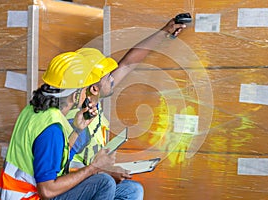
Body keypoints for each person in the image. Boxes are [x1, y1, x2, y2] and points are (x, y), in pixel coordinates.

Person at [68, 16, 187, 197]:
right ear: (94, 88)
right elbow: (64, 169)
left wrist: (165, 31)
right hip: (76, 185)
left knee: (133, 190)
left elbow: (128, 63)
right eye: (108, 77)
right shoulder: (74, 119)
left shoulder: (92, 102)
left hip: (93, 175)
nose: (113, 78)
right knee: (106, 183)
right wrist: (105, 171)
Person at [0, 52, 127, 200]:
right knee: (104, 183)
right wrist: (94, 167)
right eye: (84, 88)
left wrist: (77, 130)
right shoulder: (51, 129)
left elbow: (57, 162)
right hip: (30, 196)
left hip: (23, 194)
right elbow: (47, 191)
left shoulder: (36, 111)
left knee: (129, 190)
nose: (87, 93)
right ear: (75, 95)